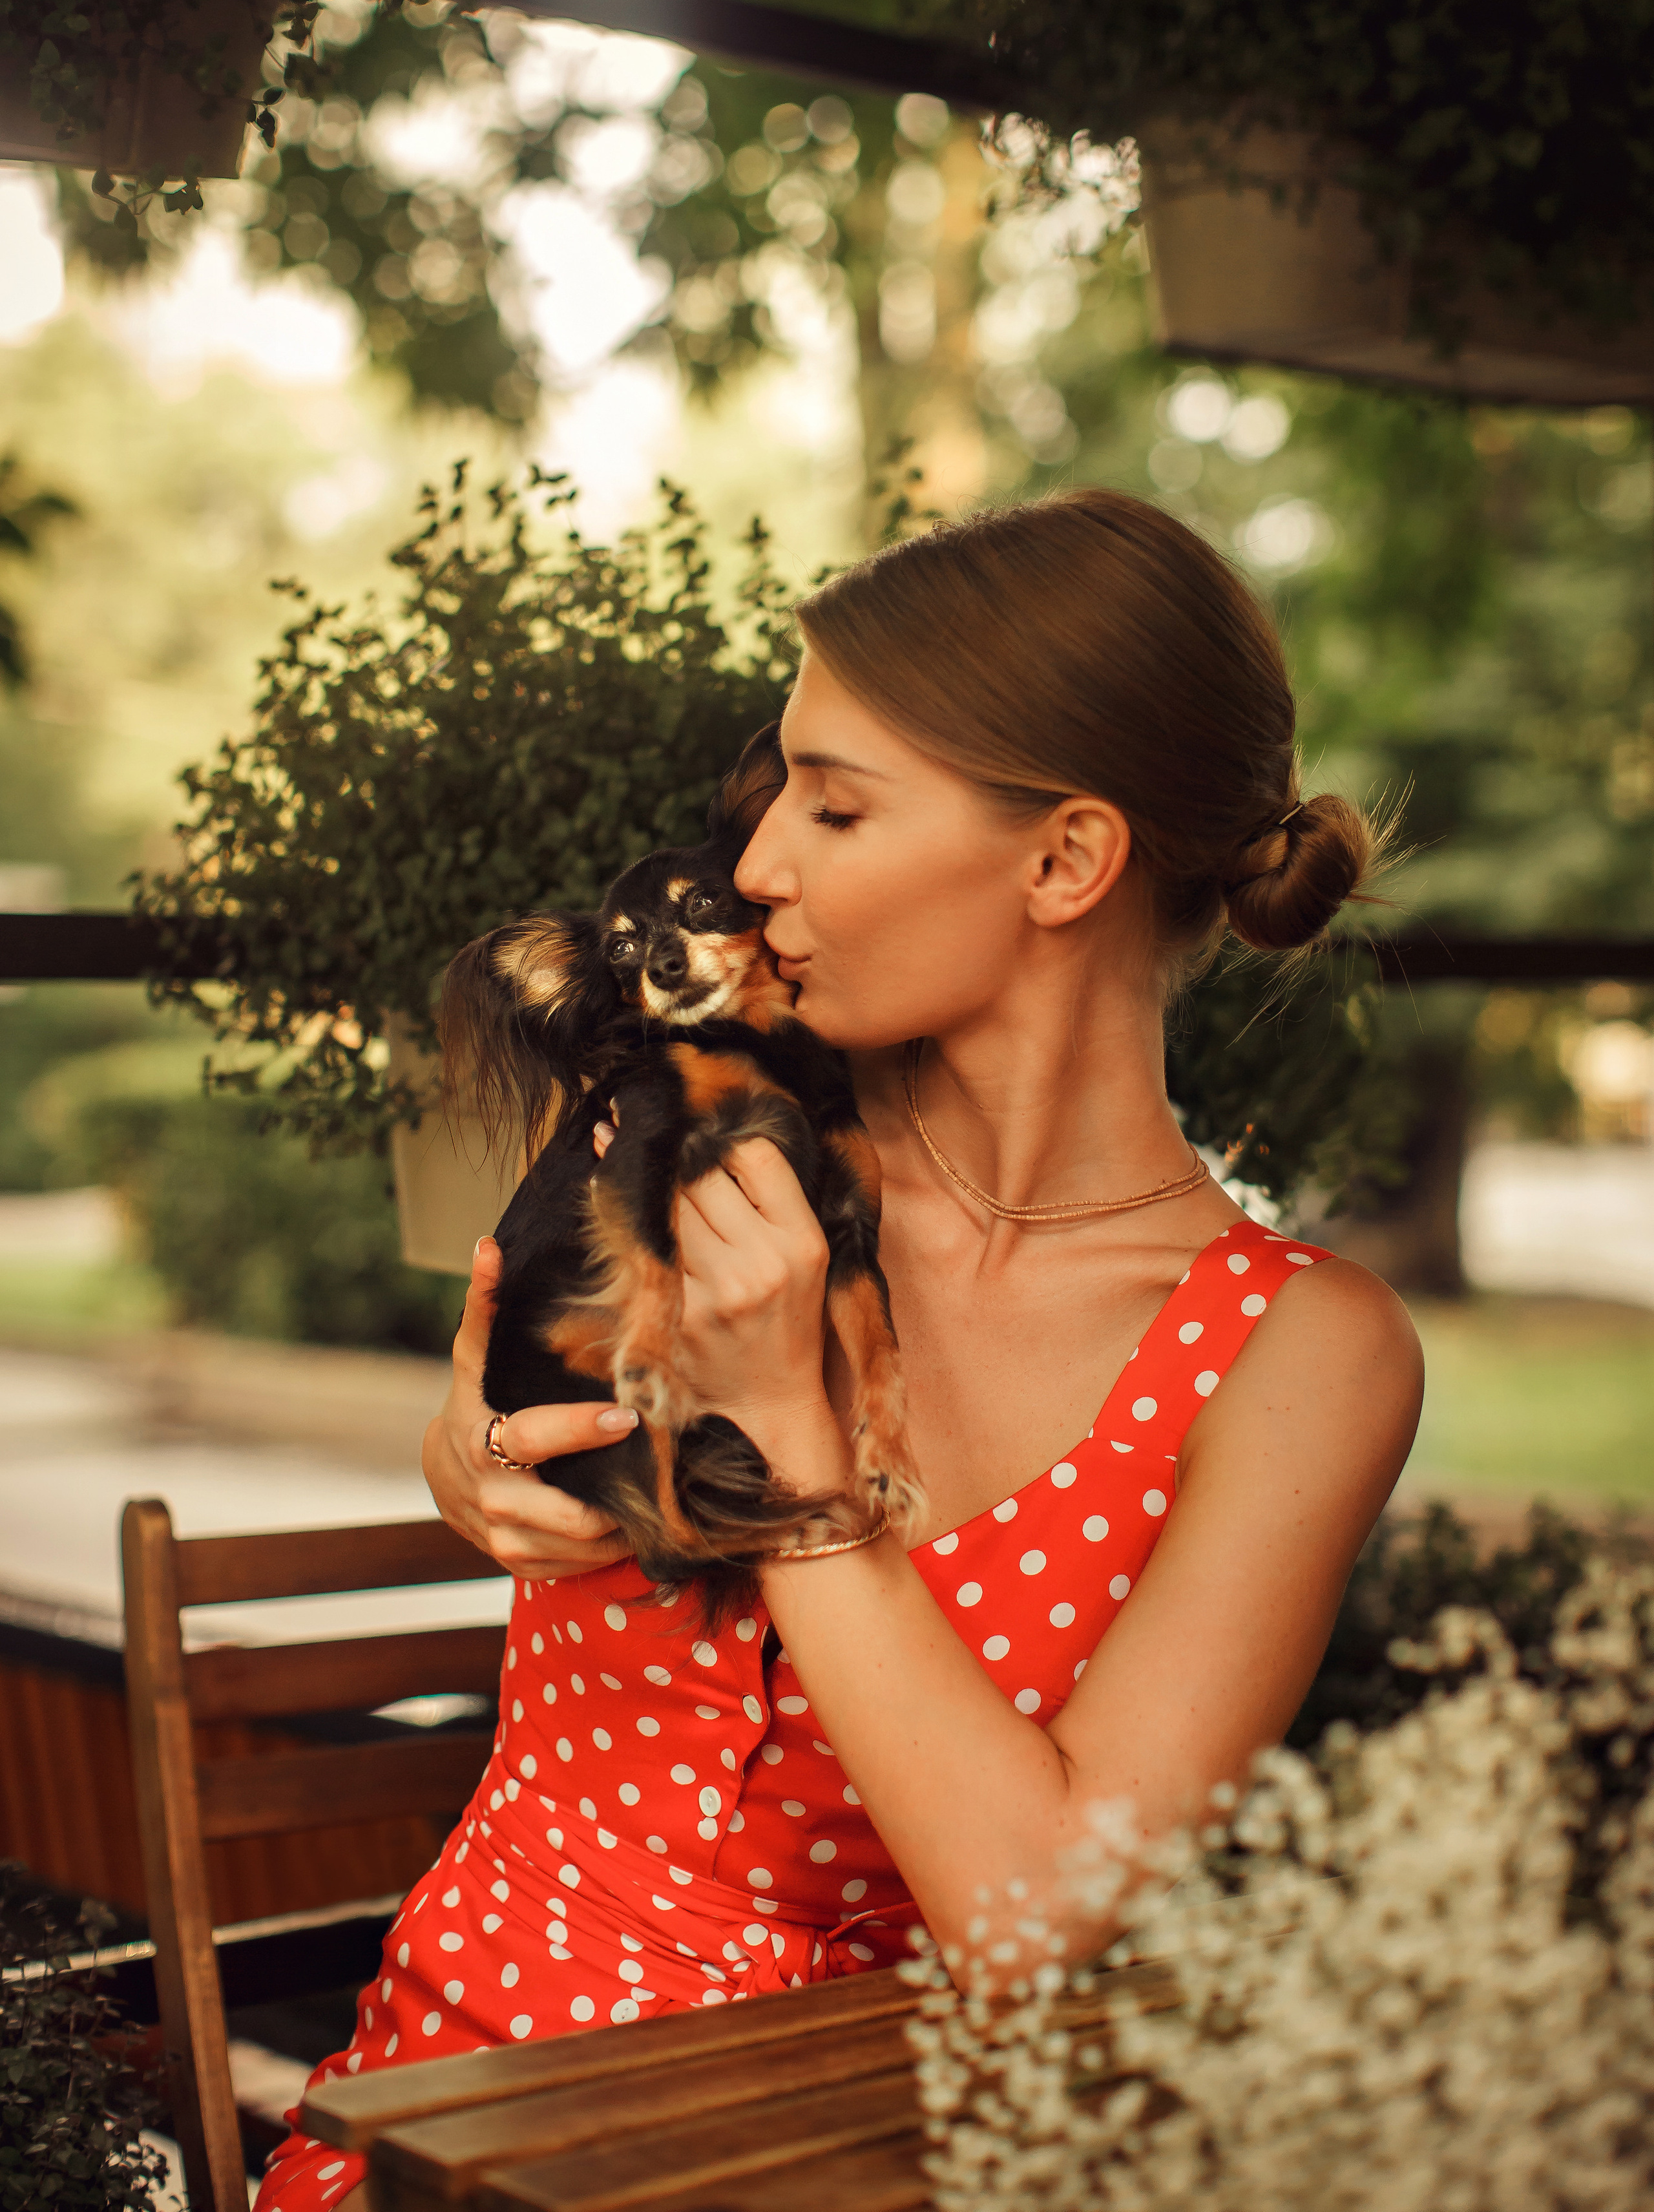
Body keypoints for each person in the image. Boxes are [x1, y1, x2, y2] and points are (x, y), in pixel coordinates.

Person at [257, 488, 1422, 2210]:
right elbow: (502, 1402)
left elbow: (1036, 1931)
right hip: (443, 2125)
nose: (757, 867)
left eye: (838, 804)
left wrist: (794, 1444)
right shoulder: (694, 1127)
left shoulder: (1298, 1355)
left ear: (1064, 860)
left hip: (852, 2165)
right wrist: (474, 1462)